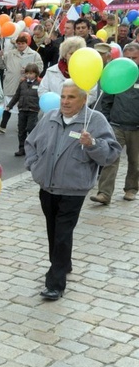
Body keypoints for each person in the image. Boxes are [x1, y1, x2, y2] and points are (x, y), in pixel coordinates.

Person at [25, 80, 120, 300]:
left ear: (84, 99)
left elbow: (111, 154)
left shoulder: (95, 120)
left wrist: (93, 144)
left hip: (73, 189)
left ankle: (56, 282)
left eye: (71, 97)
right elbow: (30, 143)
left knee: (63, 234)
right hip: (47, 186)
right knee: (52, 229)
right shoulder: (49, 117)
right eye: (63, 97)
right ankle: (62, 263)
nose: (65, 102)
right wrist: (34, 166)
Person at [90, 43, 139, 205]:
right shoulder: (117, 74)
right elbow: (107, 99)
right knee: (111, 158)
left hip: (136, 127)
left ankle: (131, 189)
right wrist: (107, 120)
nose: (131, 61)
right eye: (128, 58)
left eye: (135, 58)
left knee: (135, 161)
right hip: (116, 124)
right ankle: (104, 193)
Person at [0, 35, 44, 133]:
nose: (20, 45)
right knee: (8, 103)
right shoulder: (10, 54)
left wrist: (30, 71)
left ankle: (24, 126)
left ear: (27, 44)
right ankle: (3, 125)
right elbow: (0, 65)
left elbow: (40, 67)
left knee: (24, 104)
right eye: (18, 43)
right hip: (11, 82)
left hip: (27, 83)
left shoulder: (34, 54)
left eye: (22, 43)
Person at [38, 37, 97, 107]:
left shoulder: (87, 72)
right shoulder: (51, 71)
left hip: (78, 112)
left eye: (77, 53)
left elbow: (92, 94)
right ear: (65, 55)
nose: (74, 56)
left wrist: (75, 105)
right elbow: (42, 91)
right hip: (54, 112)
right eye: (71, 53)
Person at [6, 63, 42, 157]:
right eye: (27, 73)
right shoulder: (22, 83)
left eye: (31, 73)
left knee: (31, 128)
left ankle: (33, 147)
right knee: (21, 130)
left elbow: (43, 96)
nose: (29, 75)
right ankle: (22, 148)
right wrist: (10, 105)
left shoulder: (39, 83)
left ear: (36, 73)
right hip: (22, 109)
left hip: (33, 110)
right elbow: (17, 95)